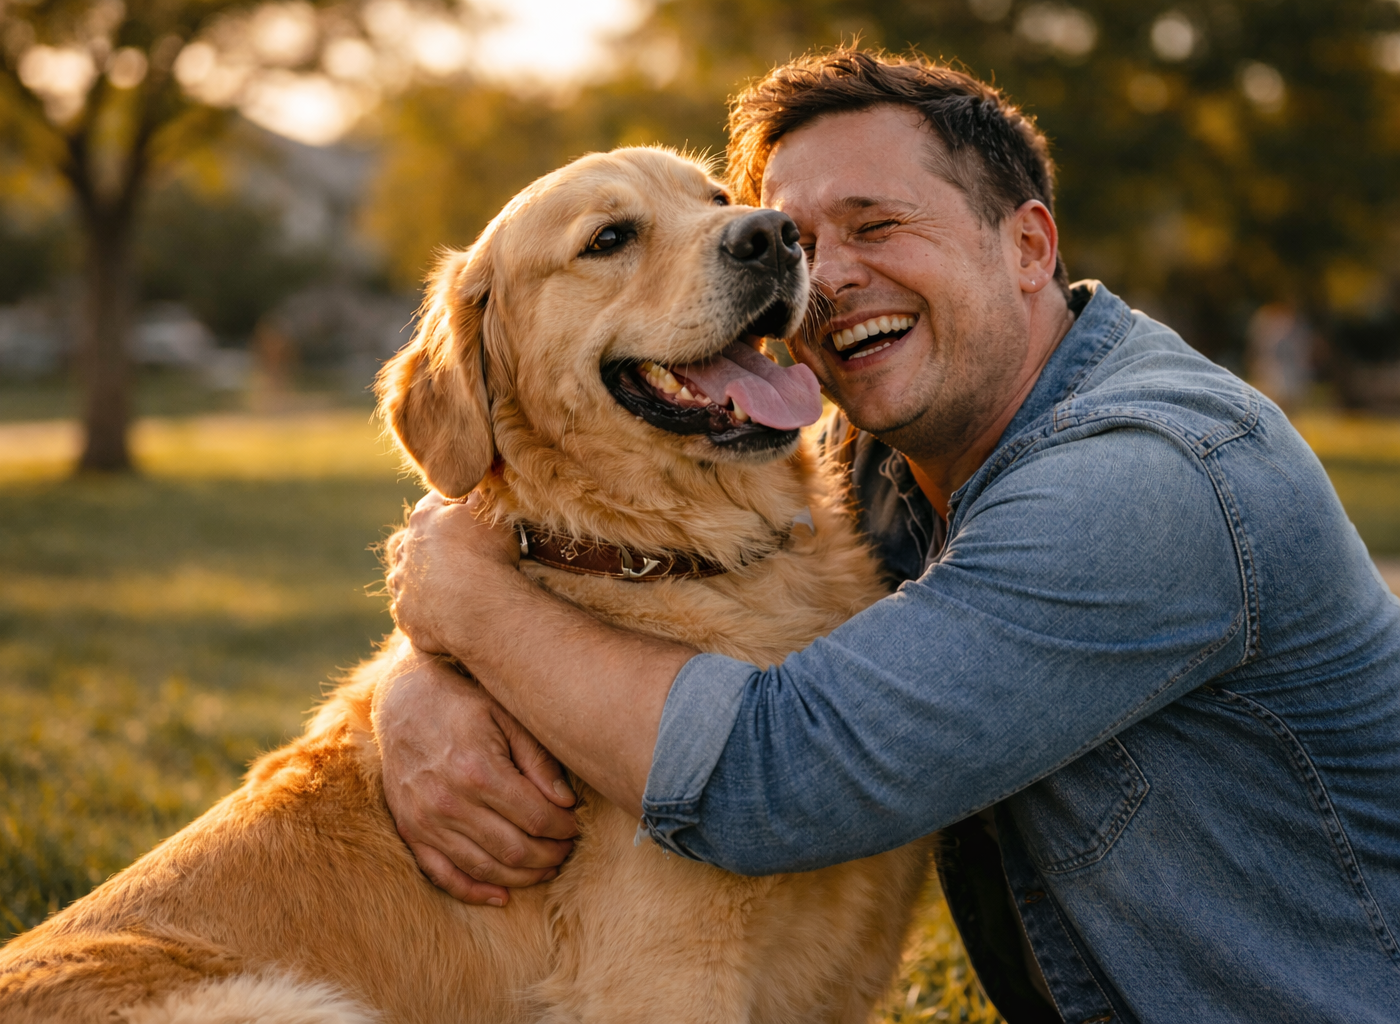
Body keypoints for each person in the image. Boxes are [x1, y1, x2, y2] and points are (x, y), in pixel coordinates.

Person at [379, 49, 1400, 1023]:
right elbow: (531, 528)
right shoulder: (856, 456)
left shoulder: (1140, 484)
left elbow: (774, 783)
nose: (819, 272)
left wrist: (465, 606)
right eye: (791, 235)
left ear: (1030, 246)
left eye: (879, 224)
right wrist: (416, 683)